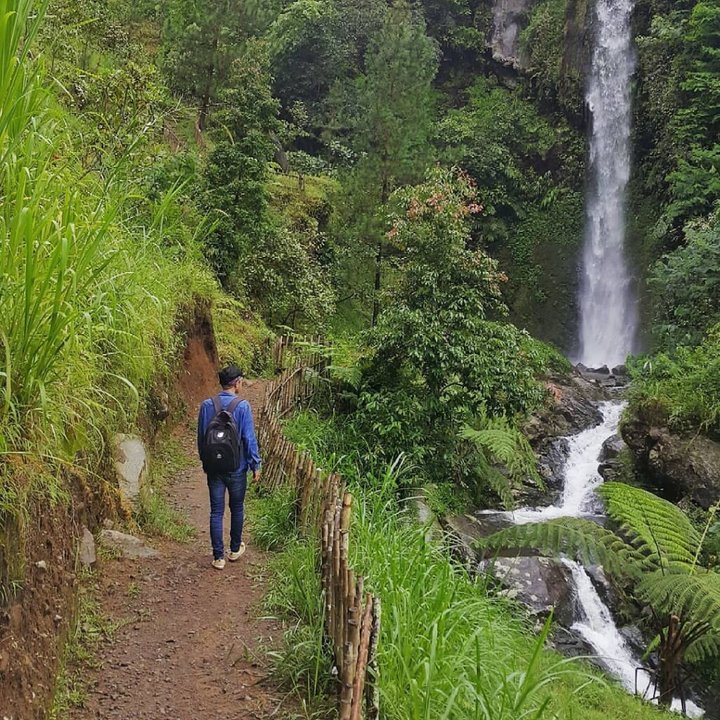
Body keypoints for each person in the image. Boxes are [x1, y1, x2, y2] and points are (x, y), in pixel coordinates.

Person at [197, 365, 261, 570]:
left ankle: (218, 557)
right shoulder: (242, 407)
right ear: (237, 383)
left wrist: (205, 462)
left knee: (216, 511)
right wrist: (255, 464)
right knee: (237, 507)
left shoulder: (207, 405)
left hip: (214, 467)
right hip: (237, 468)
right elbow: (248, 438)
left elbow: (201, 438)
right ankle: (234, 549)